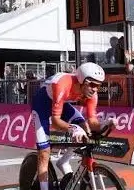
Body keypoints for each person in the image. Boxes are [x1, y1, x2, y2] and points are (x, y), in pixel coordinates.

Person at [31, 62, 111, 190]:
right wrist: (73, 128)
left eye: (98, 85)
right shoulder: (62, 83)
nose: (95, 89)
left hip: (61, 104)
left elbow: (92, 122)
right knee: (44, 152)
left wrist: (106, 124)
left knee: (84, 127)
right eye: (92, 84)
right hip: (42, 104)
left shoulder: (92, 94)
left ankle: (63, 162)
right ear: (81, 81)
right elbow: (56, 122)